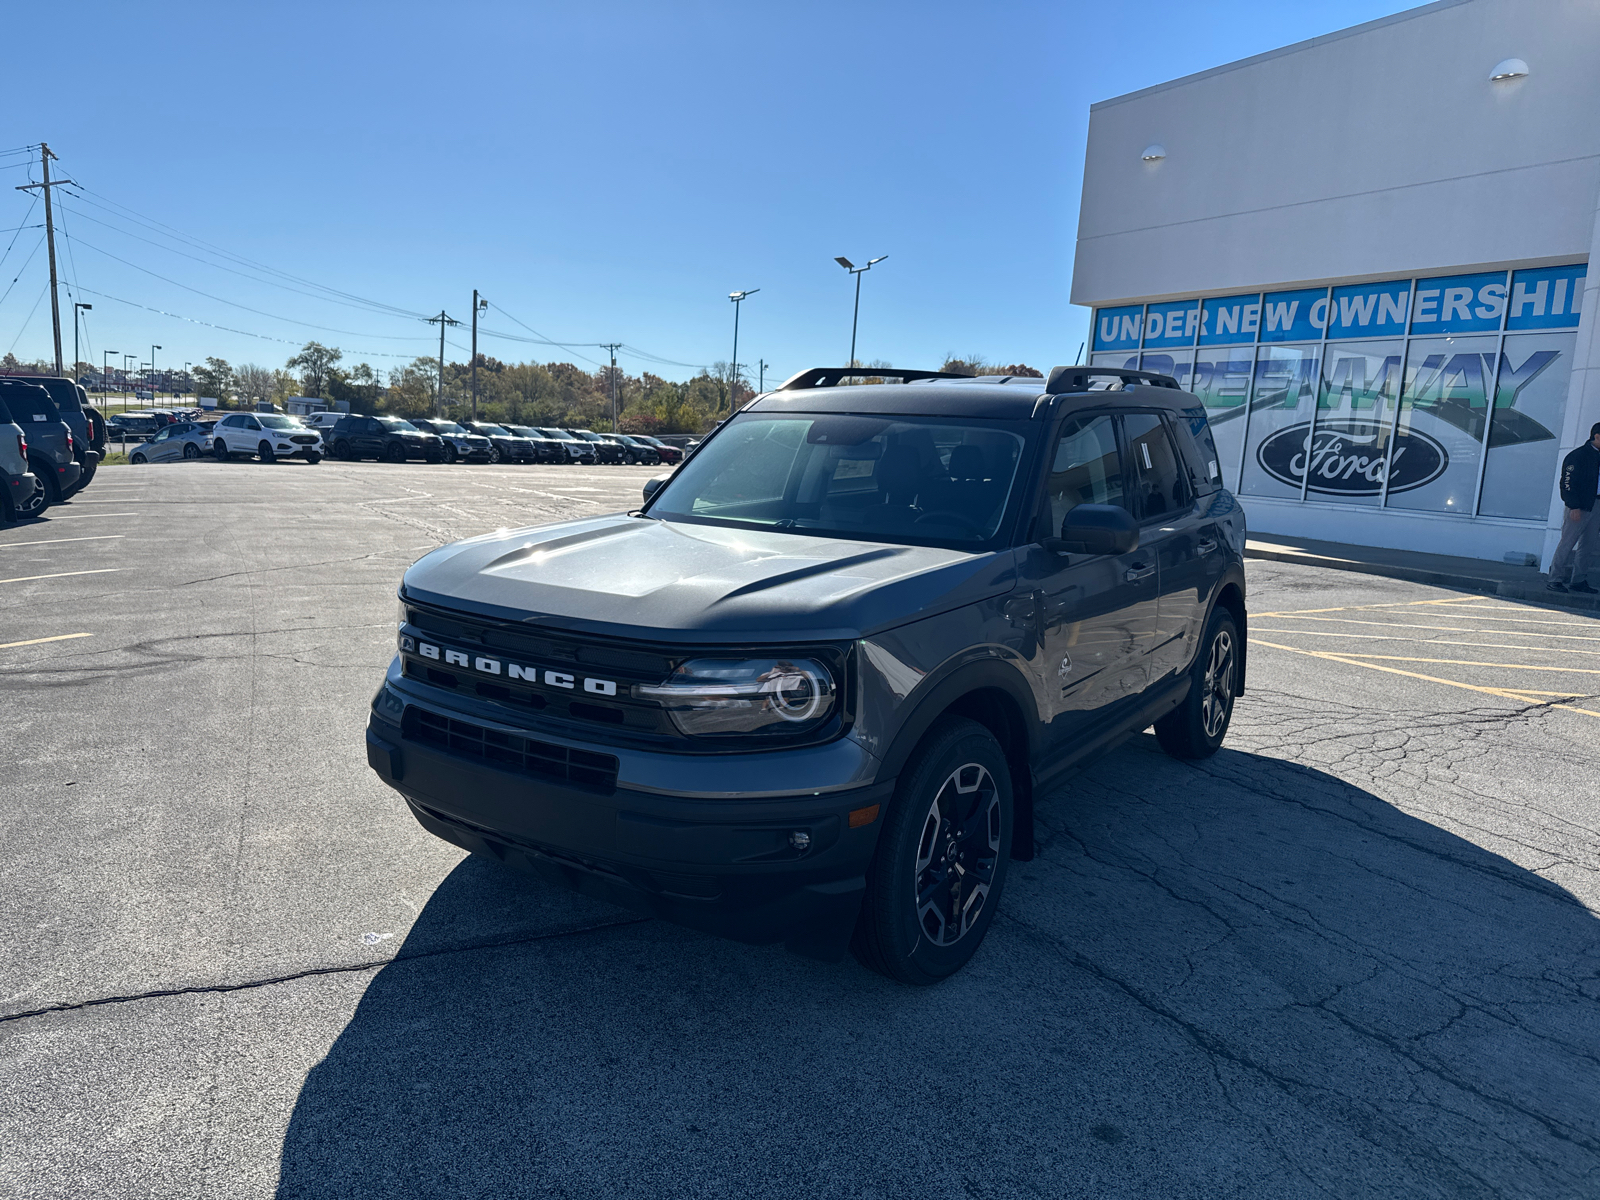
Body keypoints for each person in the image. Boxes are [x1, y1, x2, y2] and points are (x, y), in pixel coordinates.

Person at [1547, 421, 1600, 594]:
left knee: (1588, 545)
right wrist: (1573, 505)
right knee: (1568, 542)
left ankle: (1578, 580)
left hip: (1597, 504)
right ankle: (1555, 579)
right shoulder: (1578, 456)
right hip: (1579, 505)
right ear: (1597, 437)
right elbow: (1567, 483)